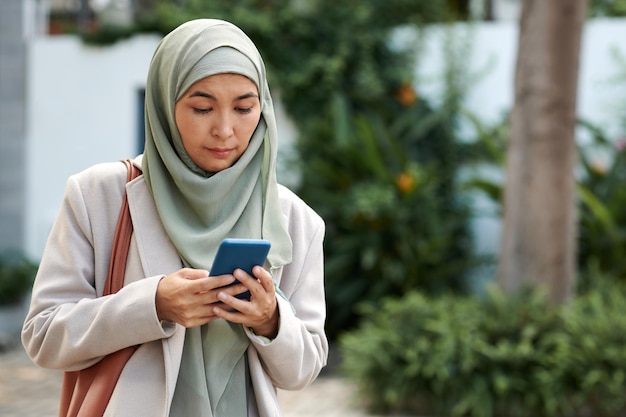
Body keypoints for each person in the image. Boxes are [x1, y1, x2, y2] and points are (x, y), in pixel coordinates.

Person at [21, 18, 327, 417]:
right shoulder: (100, 195)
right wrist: (153, 305)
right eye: (202, 107)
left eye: (244, 107)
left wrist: (270, 320)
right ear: (165, 104)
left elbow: (303, 369)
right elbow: (43, 335)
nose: (225, 129)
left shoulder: (293, 219)